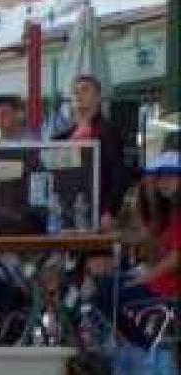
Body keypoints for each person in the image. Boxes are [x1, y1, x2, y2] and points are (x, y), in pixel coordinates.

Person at [89, 150, 180, 349]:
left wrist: (147, 276)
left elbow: (176, 257)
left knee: (105, 291)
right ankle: (145, 346)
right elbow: (147, 241)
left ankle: (146, 347)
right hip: (159, 282)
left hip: (167, 288)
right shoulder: (169, 210)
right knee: (102, 288)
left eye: (171, 175)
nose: (164, 181)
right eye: (160, 176)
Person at [52, 75, 129, 232]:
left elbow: (119, 173)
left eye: (85, 90)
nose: (79, 95)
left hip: (98, 211)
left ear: (98, 97)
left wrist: (110, 210)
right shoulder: (61, 137)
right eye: (75, 92)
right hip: (66, 213)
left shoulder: (108, 132)